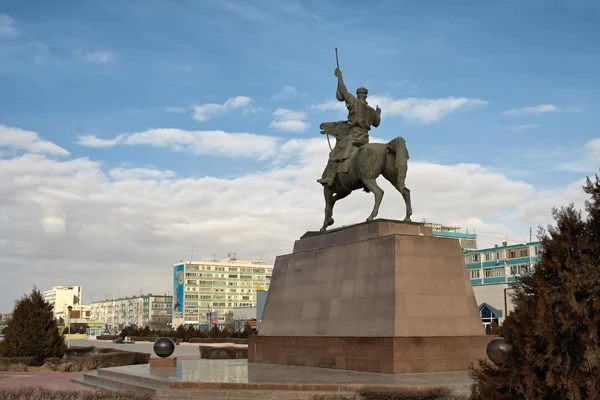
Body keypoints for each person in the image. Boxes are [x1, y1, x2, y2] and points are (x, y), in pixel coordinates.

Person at [317, 68, 381, 187]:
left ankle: (330, 177)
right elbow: (376, 123)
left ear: (358, 95)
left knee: (334, 153)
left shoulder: (354, 103)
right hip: (365, 139)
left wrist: (339, 77)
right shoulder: (371, 111)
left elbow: (343, 92)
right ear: (365, 96)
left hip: (353, 137)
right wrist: (378, 113)